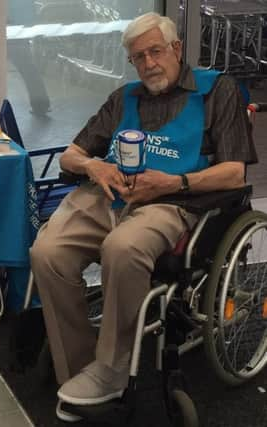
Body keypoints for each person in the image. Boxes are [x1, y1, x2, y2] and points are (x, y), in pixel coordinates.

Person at [29, 12, 257, 422]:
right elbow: (71, 154)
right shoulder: (125, 98)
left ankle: (113, 370)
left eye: (155, 51)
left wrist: (174, 183)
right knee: (47, 251)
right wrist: (94, 167)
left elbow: (235, 172)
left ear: (176, 49)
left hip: (171, 202)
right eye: (138, 57)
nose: (148, 63)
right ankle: (80, 368)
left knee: (123, 248)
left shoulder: (215, 91)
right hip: (106, 196)